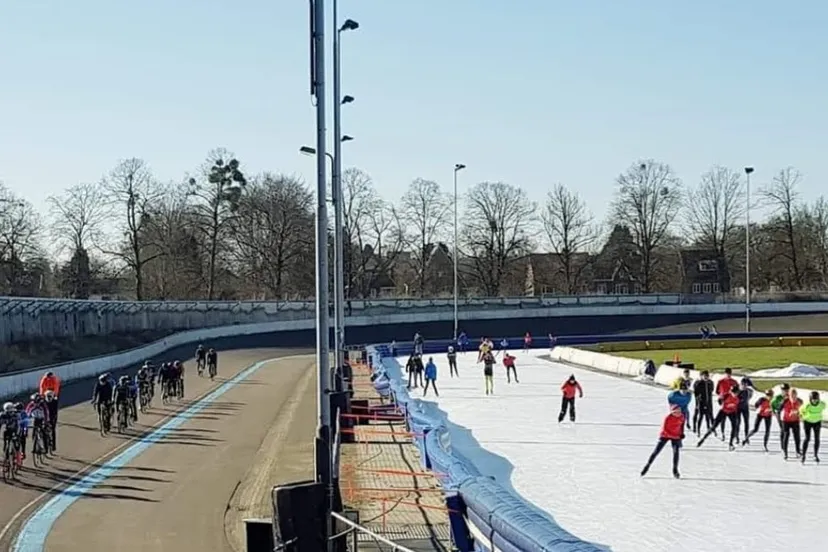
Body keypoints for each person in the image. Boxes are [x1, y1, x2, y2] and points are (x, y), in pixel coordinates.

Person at [641, 404, 685, 479]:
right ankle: (647, 465)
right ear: (672, 412)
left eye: (679, 411)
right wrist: (675, 436)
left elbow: (682, 426)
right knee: (656, 451)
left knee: (676, 453)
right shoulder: (668, 418)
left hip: (676, 436)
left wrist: (681, 433)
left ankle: (675, 470)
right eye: (676, 412)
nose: (678, 413)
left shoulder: (682, 416)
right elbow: (665, 430)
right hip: (665, 435)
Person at [698, 386, 741, 450]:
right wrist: (721, 401)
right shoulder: (726, 395)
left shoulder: (738, 398)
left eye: (736, 393)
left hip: (732, 412)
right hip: (723, 411)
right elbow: (719, 400)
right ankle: (703, 438)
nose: (735, 394)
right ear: (731, 392)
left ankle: (731, 443)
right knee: (714, 426)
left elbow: (739, 404)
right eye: (734, 393)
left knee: (735, 426)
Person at [800, 391, 825, 464]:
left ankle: (815, 455)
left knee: (817, 439)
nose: (814, 401)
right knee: (807, 438)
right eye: (813, 399)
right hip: (808, 422)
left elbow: (823, 407)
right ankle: (803, 455)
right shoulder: (807, 405)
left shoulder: (822, 405)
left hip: (817, 422)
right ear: (810, 399)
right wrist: (803, 417)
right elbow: (801, 411)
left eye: (816, 399)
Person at [780, 388, 803, 460]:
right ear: (789, 395)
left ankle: (798, 451)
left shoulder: (800, 401)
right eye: (792, 396)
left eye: (795, 396)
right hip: (786, 421)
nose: (794, 398)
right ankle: (785, 452)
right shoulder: (785, 401)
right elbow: (778, 410)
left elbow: (803, 410)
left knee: (797, 436)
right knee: (786, 435)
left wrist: (799, 413)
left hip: (795, 420)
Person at [692, 371, 715, 436]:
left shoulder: (710, 383)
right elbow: (696, 393)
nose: (706, 377)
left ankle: (711, 428)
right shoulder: (698, 383)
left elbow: (711, 390)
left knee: (710, 415)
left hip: (709, 402)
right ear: (701, 376)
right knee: (699, 415)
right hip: (700, 402)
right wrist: (698, 402)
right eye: (704, 376)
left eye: (707, 376)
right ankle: (696, 428)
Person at [771, 383, 791, 451]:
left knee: (786, 430)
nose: (785, 391)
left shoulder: (790, 396)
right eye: (784, 390)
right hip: (779, 414)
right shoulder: (778, 397)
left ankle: (784, 444)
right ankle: (783, 446)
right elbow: (771, 404)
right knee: (783, 429)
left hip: (787, 414)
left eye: (787, 390)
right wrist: (773, 412)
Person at [736, 379, 754, 443]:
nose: (744, 386)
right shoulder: (737, 391)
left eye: (745, 385)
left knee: (746, 423)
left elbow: (749, 397)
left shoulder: (749, 391)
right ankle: (737, 437)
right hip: (738, 408)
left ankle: (746, 437)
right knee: (738, 423)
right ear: (740, 384)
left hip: (745, 408)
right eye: (743, 385)